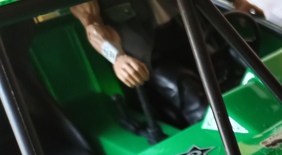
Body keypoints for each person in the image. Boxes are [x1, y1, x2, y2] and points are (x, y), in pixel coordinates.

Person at [71, 0, 263, 127]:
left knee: (238, 77)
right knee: (196, 102)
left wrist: (239, 2)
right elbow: (92, 26)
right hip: (149, 54)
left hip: (187, 30)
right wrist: (116, 57)